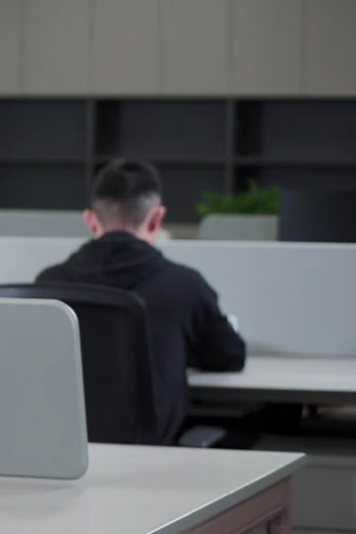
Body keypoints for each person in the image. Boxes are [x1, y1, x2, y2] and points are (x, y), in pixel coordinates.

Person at [38, 158, 246, 444]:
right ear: (157, 219)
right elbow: (229, 356)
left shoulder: (47, 284)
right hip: (151, 458)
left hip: (67, 453)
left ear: (90, 220)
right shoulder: (184, 285)